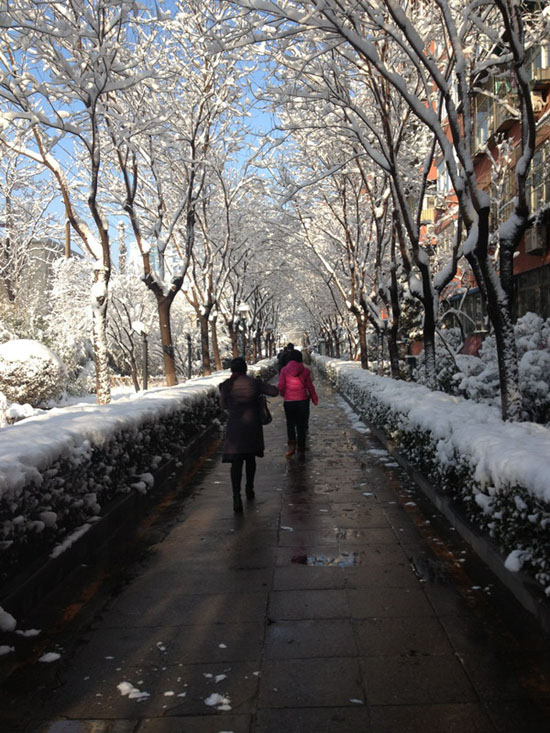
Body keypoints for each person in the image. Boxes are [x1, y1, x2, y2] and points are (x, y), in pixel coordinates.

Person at [219, 357, 279, 513]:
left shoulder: (226, 385)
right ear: (245, 369)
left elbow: (223, 405)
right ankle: (249, 489)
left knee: (236, 463)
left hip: (235, 429)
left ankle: (236, 497)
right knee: (250, 459)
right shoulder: (254, 383)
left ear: (231, 370)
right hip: (252, 427)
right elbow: (274, 391)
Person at [278, 349, 318, 457]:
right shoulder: (305, 371)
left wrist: (284, 394)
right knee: (301, 424)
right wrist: (314, 398)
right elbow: (310, 386)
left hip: (289, 401)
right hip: (302, 401)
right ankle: (301, 446)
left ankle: (291, 445)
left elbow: (281, 386)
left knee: (290, 424)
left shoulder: (284, 370)